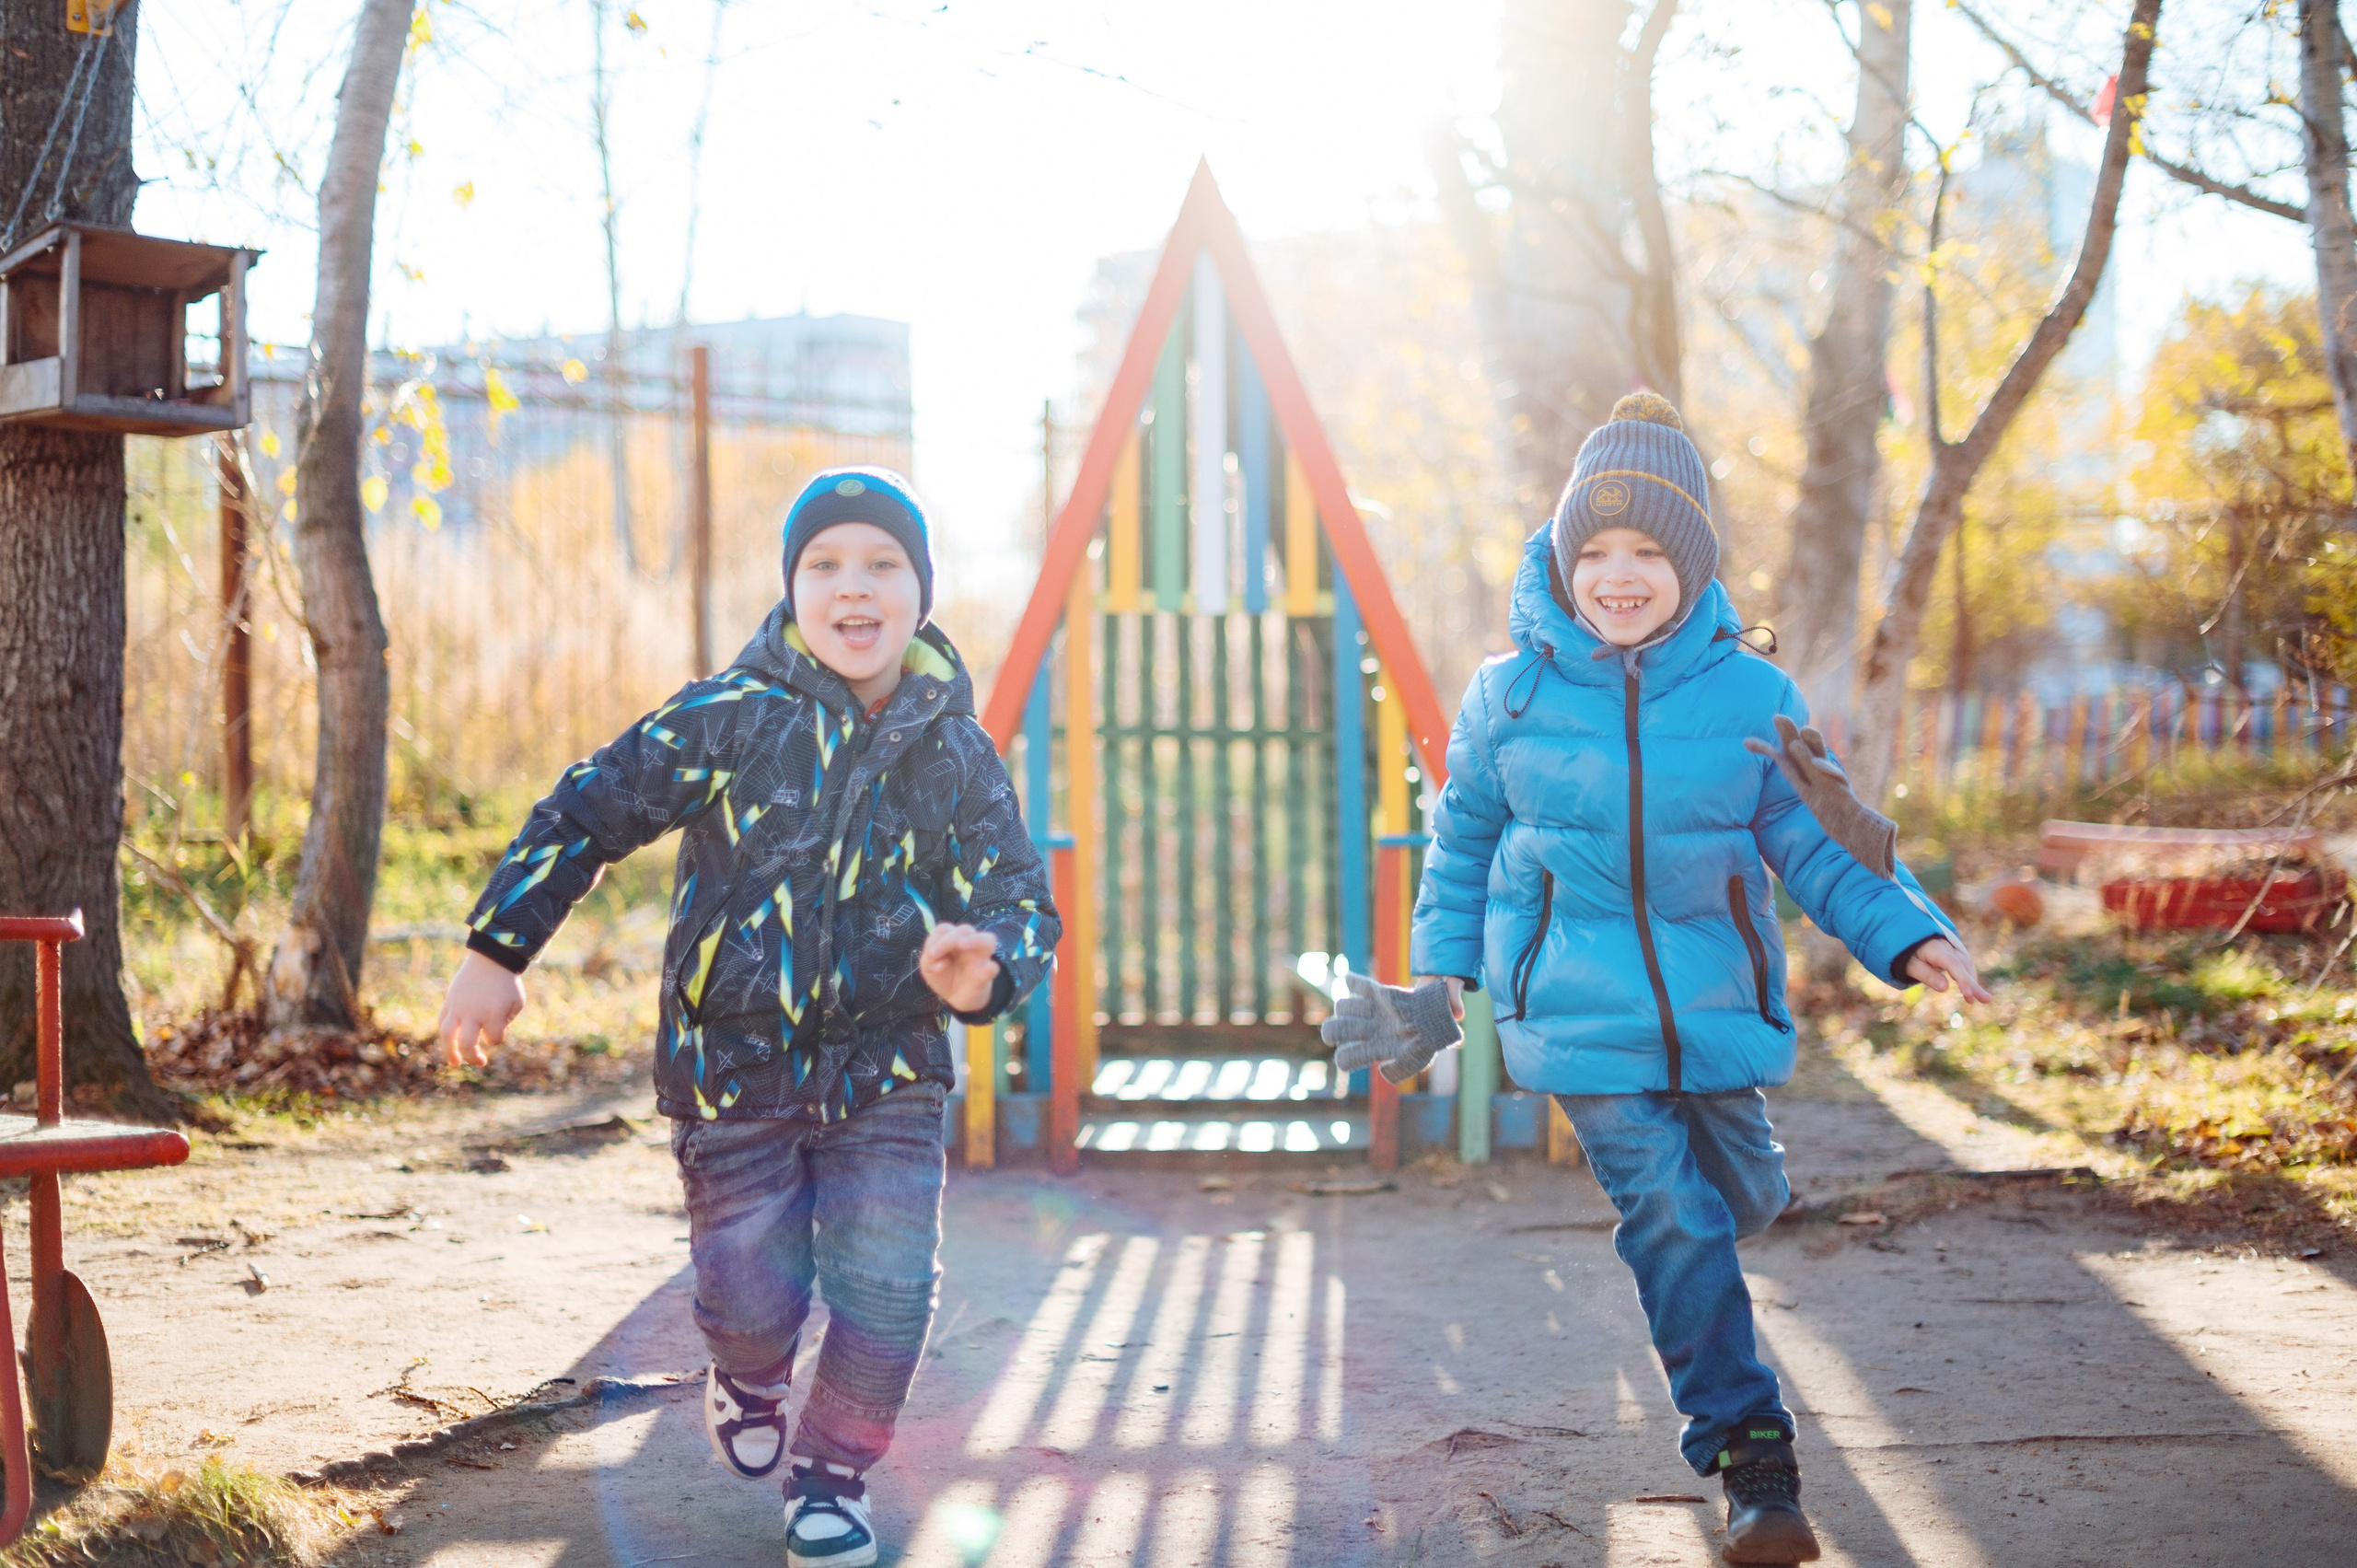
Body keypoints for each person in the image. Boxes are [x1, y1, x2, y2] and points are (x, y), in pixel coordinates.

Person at [1331, 394, 1988, 1564]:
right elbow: (1464, 844)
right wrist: (1438, 992)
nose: (1616, 575)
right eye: (1592, 550)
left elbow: (1821, 836)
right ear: (1560, 556)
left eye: (1645, 551)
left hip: (1716, 1005)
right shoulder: (1509, 693)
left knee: (1736, 1201)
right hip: (1575, 1009)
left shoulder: (1752, 694)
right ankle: (1751, 1455)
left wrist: (1908, 934)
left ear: (1690, 563)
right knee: (1670, 1211)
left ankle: (1725, 1232)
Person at [436, 466, 1057, 1568]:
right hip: (733, 1077)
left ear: (921, 592)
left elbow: (1019, 897)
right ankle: (751, 1373)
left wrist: (988, 966)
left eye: (881, 564)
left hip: (889, 1072)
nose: (852, 588)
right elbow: (590, 806)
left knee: (889, 1286)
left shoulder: (952, 748)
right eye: (825, 564)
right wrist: (499, 946)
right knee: (745, 1298)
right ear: (790, 588)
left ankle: (830, 1475)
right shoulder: (730, 714)